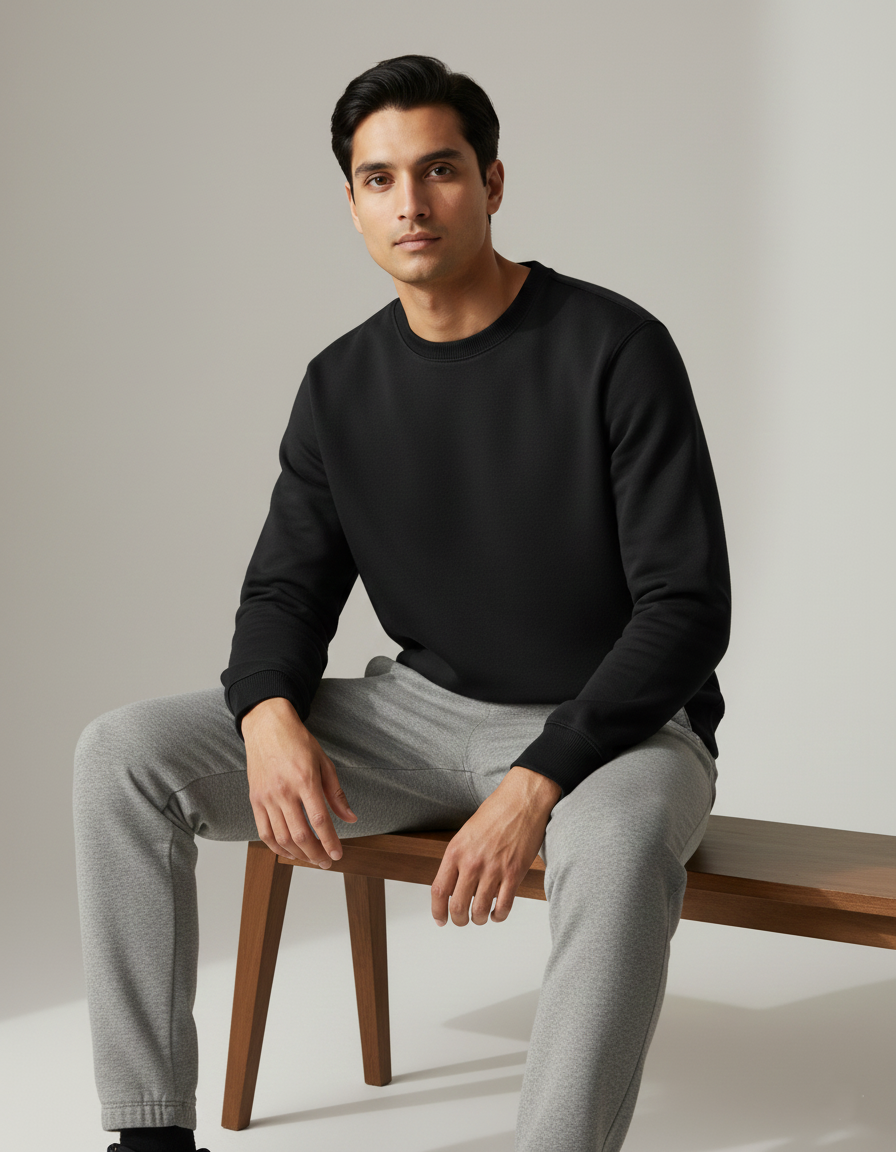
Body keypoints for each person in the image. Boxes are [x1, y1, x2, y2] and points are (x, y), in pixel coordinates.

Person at [74, 53, 730, 1152]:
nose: (410, 203)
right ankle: (149, 1137)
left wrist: (536, 783)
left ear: (492, 182)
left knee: (615, 845)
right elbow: (284, 589)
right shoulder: (339, 384)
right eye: (379, 179)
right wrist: (266, 717)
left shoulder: (615, 348)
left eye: (439, 170)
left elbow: (686, 607)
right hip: (417, 717)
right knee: (121, 756)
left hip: (617, 731)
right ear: (352, 204)